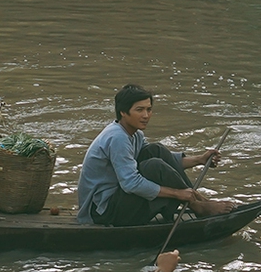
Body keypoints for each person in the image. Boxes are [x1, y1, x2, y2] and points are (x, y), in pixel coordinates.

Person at [76, 85, 230, 226]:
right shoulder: (117, 138)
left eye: (148, 109)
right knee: (153, 166)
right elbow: (130, 183)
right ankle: (197, 204)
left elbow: (166, 160)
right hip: (101, 213)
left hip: (117, 200)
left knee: (156, 150)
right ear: (123, 112)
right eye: (139, 110)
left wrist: (199, 160)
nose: (146, 115)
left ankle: (198, 201)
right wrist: (178, 194)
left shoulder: (135, 135)